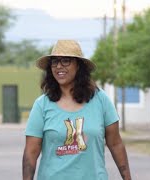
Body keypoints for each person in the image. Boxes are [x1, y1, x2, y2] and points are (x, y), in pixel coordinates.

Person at [22, 40, 131, 180]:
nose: (59, 66)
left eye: (66, 61)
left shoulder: (101, 100)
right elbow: (31, 152)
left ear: (78, 66)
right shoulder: (42, 105)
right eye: (54, 62)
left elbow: (116, 144)